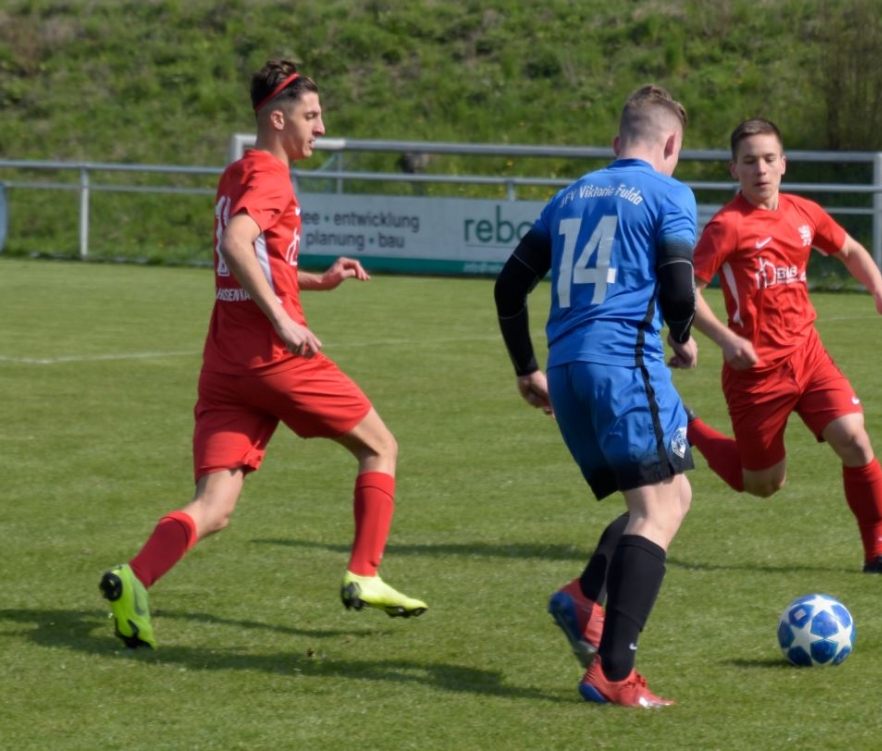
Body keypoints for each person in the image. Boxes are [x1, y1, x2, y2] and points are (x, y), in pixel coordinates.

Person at [99, 60, 427, 649]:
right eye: (311, 116)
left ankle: (134, 577)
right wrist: (282, 319)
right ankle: (365, 572)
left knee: (214, 506)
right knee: (380, 447)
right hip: (275, 359)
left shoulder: (236, 173)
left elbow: (252, 261)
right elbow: (237, 243)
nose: (321, 127)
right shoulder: (272, 177)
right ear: (278, 119)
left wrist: (316, 281)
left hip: (225, 366)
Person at [493, 84, 698, 708]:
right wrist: (682, 336)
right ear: (671, 143)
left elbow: (509, 286)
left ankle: (584, 597)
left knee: (673, 494)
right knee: (655, 513)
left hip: (568, 370)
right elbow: (679, 287)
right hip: (624, 367)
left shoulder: (570, 194)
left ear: (617, 142)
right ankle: (613, 672)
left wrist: (527, 369)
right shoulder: (669, 193)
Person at [684, 117, 882, 579]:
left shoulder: (803, 213)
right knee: (764, 485)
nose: (760, 169)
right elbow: (686, 292)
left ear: (783, 164)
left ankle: (877, 556)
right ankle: (688, 426)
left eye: (769, 159)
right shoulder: (726, 226)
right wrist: (726, 339)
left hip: (808, 357)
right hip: (755, 373)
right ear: (734, 169)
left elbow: (849, 249)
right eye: (749, 161)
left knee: (855, 439)